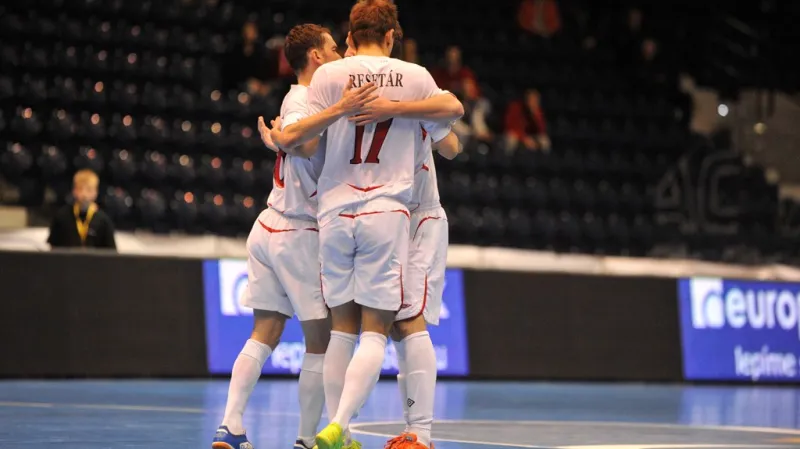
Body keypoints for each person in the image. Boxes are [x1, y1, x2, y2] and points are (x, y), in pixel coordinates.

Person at [267, 2, 463, 448]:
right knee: (395, 324)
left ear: (350, 38)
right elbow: (453, 126)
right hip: (391, 211)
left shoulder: (328, 78)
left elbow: (301, 142)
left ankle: (353, 431)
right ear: (392, 36)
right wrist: (403, 109)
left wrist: (280, 137)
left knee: (347, 329)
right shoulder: (414, 75)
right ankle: (387, 431)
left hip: (339, 212)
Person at [211, 23, 369, 449]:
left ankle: (231, 426)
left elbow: (293, 141)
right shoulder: (305, 97)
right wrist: (291, 134)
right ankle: (304, 439)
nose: (339, 53)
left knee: (265, 332)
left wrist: (278, 138)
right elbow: (304, 146)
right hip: (298, 231)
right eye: (333, 48)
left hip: (268, 225)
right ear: (316, 57)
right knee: (320, 339)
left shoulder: (302, 100)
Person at [47, 169, 116, 250]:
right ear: (74, 190)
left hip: (94, 262)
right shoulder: (62, 216)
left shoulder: (103, 220)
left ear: (96, 192)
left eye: (89, 190)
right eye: (80, 189)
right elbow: (53, 247)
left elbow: (111, 252)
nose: (84, 194)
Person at [222, 20, 275, 96]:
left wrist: (261, 84)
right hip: (239, 85)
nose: (249, 34)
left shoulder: (261, 51)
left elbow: (265, 71)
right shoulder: (235, 50)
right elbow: (231, 72)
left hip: (258, 85)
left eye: (251, 31)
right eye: (247, 31)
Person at [452, 77, 493, 142]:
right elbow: (455, 124)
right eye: (465, 89)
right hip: (461, 134)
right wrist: (471, 133)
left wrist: (482, 132)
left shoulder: (481, 102)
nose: (468, 91)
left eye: (470, 88)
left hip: (476, 134)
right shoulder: (456, 103)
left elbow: (478, 119)